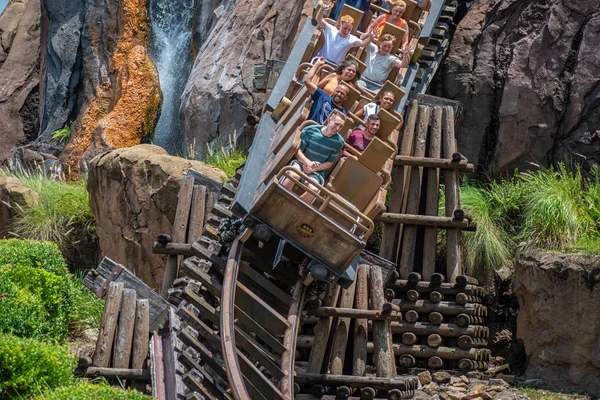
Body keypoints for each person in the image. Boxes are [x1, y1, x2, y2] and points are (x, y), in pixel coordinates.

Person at [283, 112, 347, 202]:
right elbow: (298, 151)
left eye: (340, 127)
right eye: (336, 124)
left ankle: (295, 205)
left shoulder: (339, 142)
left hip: (316, 171)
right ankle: (281, 197)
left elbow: (329, 163)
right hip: (300, 162)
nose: (337, 128)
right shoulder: (310, 130)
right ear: (329, 120)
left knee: (314, 189)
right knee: (294, 175)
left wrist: (313, 168)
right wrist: (307, 162)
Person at [316, 0, 376, 64]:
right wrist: (322, 8)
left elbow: (363, 43)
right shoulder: (331, 30)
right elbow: (319, 19)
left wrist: (371, 38)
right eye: (345, 28)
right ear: (340, 26)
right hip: (322, 60)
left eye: (349, 29)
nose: (346, 31)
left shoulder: (350, 38)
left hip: (335, 65)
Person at [305, 58, 349, 124]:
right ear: (334, 91)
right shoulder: (322, 95)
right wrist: (317, 64)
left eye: (342, 93)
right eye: (337, 91)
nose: (339, 94)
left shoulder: (342, 114)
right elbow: (307, 81)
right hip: (310, 128)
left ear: (346, 97)